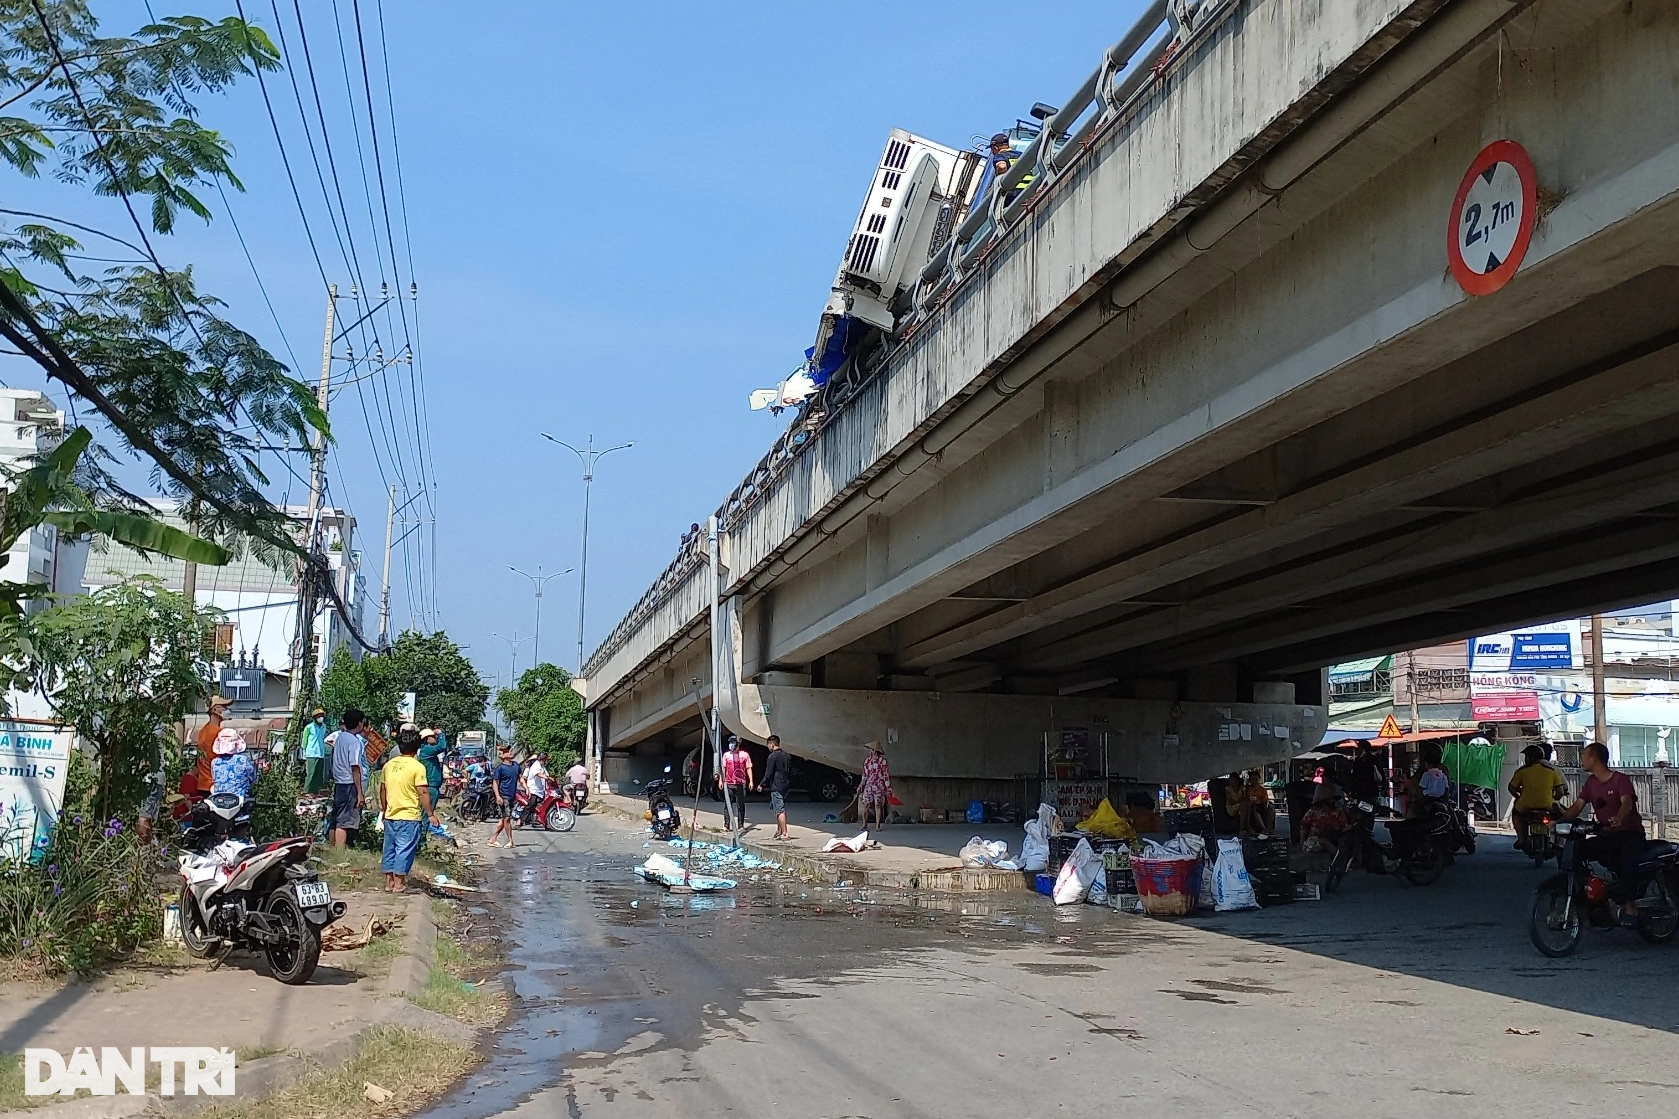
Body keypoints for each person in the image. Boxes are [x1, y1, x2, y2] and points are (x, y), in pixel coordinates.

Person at [1564, 741, 1644, 924]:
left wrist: (1619, 818)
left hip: (1629, 834)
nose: (1581, 760)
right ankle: (1594, 894)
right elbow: (1577, 806)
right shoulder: (1591, 783)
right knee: (1577, 851)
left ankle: (1631, 907)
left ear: (1594, 758)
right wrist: (1558, 822)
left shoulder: (1620, 780)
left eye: (1584, 756)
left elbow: (1627, 803)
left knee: (1627, 862)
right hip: (1607, 835)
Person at [380, 725, 439, 892]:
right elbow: (422, 791)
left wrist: (384, 810)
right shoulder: (417, 766)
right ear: (417, 747)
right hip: (409, 816)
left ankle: (389, 883)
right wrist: (430, 814)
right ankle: (399, 884)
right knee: (404, 849)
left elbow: (383, 790)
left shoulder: (389, 765)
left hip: (391, 815)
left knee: (389, 848)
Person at [1509, 743, 1568, 847]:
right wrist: (1555, 799)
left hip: (1525, 805)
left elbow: (1511, 787)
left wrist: (1518, 797)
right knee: (1564, 817)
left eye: (1526, 757)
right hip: (1548, 805)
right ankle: (1559, 842)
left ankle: (1521, 839)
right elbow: (1560, 791)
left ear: (1531, 758)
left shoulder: (1522, 771)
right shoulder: (1552, 771)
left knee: (1516, 813)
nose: (1525, 759)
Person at [329, 708, 367, 849]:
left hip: (339, 782)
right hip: (349, 783)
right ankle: (339, 851)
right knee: (344, 821)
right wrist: (360, 792)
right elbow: (355, 767)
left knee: (336, 817)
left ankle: (331, 847)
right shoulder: (354, 742)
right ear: (359, 723)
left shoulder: (340, 737)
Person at [190, 696, 233, 802]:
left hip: (202, 784)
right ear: (214, 710)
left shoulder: (203, 731)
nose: (226, 710)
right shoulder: (219, 733)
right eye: (223, 707)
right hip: (216, 785)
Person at [757, 733, 792, 841]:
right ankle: (779, 830)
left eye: (768, 744)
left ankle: (785, 832)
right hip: (785, 784)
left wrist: (761, 784)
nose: (767, 747)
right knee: (777, 807)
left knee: (779, 809)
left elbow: (768, 773)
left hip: (776, 785)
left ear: (772, 744)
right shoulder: (787, 755)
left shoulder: (772, 756)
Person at [488, 746, 521, 849]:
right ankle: (510, 841)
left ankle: (493, 839)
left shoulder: (516, 766)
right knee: (507, 818)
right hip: (503, 796)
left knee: (503, 820)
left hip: (512, 796)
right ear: (502, 756)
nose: (510, 752)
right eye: (507, 751)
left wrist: (526, 788)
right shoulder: (500, 768)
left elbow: (521, 778)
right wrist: (498, 796)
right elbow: (495, 783)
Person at [209, 727, 257, 798]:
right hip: (240, 799)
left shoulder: (215, 762)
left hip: (219, 799)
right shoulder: (243, 760)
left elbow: (215, 780)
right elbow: (252, 778)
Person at [721, 737, 753, 830]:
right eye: (730, 743)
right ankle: (726, 825)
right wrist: (720, 780)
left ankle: (740, 825)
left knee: (741, 804)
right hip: (729, 783)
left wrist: (751, 781)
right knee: (728, 804)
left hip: (741, 783)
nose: (731, 745)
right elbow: (723, 769)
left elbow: (748, 768)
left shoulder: (744, 755)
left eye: (733, 743)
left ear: (738, 744)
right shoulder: (726, 755)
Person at [859, 740, 891, 832]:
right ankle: (864, 823)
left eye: (871, 749)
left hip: (879, 786)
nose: (870, 751)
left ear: (875, 750)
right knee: (866, 805)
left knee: (878, 805)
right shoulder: (867, 761)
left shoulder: (882, 761)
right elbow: (864, 775)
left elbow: (885, 775)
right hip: (869, 785)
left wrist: (888, 788)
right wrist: (861, 785)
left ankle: (878, 826)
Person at [417, 727, 448, 813]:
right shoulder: (427, 750)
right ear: (427, 738)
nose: (436, 738)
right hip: (431, 786)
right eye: (434, 736)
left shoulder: (425, 750)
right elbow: (442, 746)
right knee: (427, 813)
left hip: (430, 785)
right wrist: (440, 733)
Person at [1346, 741, 1385, 805]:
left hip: (1371, 791)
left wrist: (1384, 786)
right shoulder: (1357, 761)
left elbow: (1380, 772)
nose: (1357, 750)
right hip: (1359, 791)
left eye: (1359, 748)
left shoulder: (1373, 759)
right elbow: (1354, 776)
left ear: (1364, 749)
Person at [301, 707, 329, 794]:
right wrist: (305, 753)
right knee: (311, 774)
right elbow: (304, 741)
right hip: (311, 754)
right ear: (314, 717)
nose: (321, 718)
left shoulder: (323, 727)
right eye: (319, 716)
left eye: (322, 716)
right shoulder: (309, 727)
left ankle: (316, 792)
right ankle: (307, 792)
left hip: (320, 753)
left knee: (319, 775)